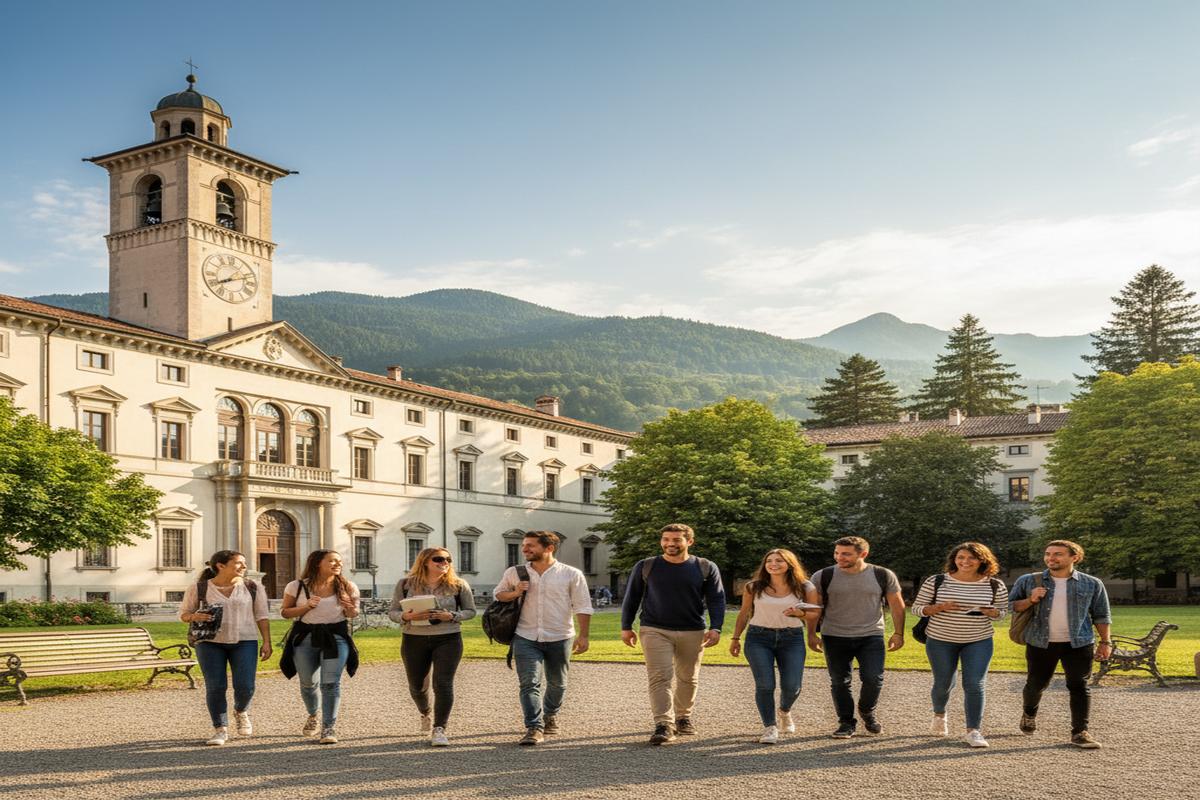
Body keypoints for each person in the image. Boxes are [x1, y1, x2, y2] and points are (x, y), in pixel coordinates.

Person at [620, 523, 726, 745]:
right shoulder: (646, 566)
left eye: (676, 540)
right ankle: (663, 724)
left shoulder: (705, 567)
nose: (670, 544)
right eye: (666, 539)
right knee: (659, 677)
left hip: (693, 630)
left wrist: (716, 627)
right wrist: (626, 626)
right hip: (654, 629)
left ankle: (683, 717)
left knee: (688, 677)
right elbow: (632, 597)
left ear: (690, 541)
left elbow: (716, 599)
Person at [1009, 539, 1112, 749]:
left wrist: (1105, 642)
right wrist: (1031, 600)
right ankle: (1029, 713)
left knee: (1079, 686)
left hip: (1079, 643)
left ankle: (1080, 732)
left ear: (1075, 557)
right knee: (1036, 685)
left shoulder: (1092, 583)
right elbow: (1010, 606)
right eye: (1048, 554)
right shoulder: (1028, 581)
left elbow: (1102, 615)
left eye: (1058, 554)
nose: (1051, 558)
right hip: (1040, 642)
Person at [493, 531, 593, 745]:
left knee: (558, 683)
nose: (525, 549)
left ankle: (550, 714)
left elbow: (583, 605)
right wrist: (515, 592)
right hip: (525, 635)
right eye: (524, 545)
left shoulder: (571, 574)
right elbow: (499, 594)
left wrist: (584, 636)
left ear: (549, 548)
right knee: (529, 683)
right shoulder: (515, 572)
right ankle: (534, 727)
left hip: (560, 636)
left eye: (531, 545)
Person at [910, 542, 1008, 748]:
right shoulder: (936, 581)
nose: (965, 561)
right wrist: (939, 607)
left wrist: (993, 613)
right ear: (954, 559)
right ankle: (939, 714)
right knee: (943, 682)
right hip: (940, 639)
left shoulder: (994, 584)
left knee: (975, 684)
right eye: (961, 557)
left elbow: (1002, 612)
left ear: (982, 560)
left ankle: (973, 731)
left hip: (978, 640)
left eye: (972, 558)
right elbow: (917, 609)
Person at [808, 535, 905, 739]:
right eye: (837, 553)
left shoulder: (882, 574)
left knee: (873, 678)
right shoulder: (823, 575)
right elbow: (814, 608)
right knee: (839, 681)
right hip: (834, 634)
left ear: (863, 554)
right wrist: (811, 634)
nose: (839, 557)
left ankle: (867, 710)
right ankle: (846, 722)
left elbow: (897, 605)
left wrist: (898, 633)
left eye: (846, 554)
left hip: (871, 634)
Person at [178, 550, 271, 746]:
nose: (244, 566)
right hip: (209, 642)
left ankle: (241, 711)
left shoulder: (253, 587)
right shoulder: (199, 587)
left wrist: (267, 641)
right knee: (216, 686)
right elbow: (184, 614)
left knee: (246, 686)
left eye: (244, 563)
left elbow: (262, 615)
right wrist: (195, 616)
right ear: (221, 566)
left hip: (245, 640)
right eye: (239, 563)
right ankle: (220, 729)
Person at [388, 546, 477, 747]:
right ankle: (425, 711)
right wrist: (405, 616)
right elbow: (392, 612)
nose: (444, 563)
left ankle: (439, 728)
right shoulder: (405, 584)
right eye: (438, 559)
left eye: (448, 559)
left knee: (443, 684)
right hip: (413, 639)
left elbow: (471, 611)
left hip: (448, 638)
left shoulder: (458, 585)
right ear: (425, 561)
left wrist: (452, 615)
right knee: (417, 686)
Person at [729, 548, 818, 744]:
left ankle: (784, 711)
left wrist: (801, 615)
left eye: (779, 560)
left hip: (792, 638)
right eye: (770, 561)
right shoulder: (753, 587)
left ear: (790, 564)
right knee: (765, 685)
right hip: (758, 638)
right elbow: (744, 613)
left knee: (792, 686)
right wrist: (735, 638)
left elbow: (815, 614)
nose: (773, 564)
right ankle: (770, 727)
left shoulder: (805, 587)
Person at [279, 549, 360, 745]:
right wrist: (305, 607)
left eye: (339, 561)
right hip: (305, 637)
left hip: (336, 638)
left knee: (331, 683)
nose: (338, 564)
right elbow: (285, 613)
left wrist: (349, 607)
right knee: (308, 683)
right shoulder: (296, 586)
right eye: (332, 561)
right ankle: (313, 714)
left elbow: (353, 614)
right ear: (317, 563)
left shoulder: (348, 586)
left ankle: (328, 727)